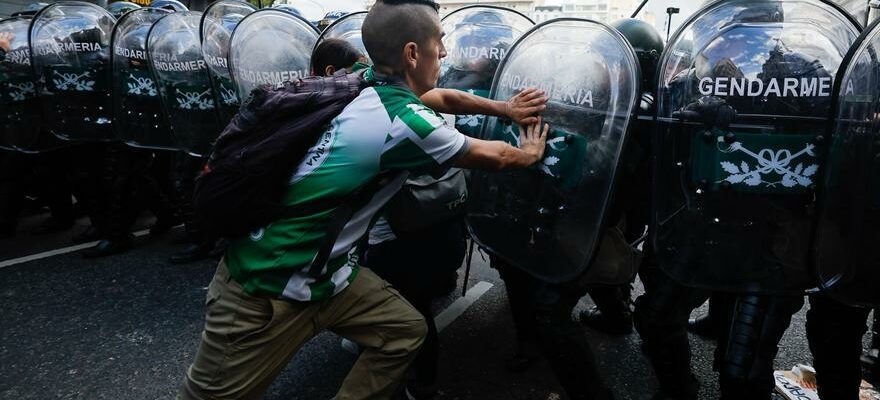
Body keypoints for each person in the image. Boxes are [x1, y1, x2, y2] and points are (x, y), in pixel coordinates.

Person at [177, 1, 550, 399]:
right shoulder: (402, 122)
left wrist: (504, 108)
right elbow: (493, 156)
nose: (444, 52)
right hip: (267, 286)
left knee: (403, 331)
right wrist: (527, 153)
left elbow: (441, 97)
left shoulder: (366, 79)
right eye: (439, 41)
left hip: (329, 277)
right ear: (411, 53)